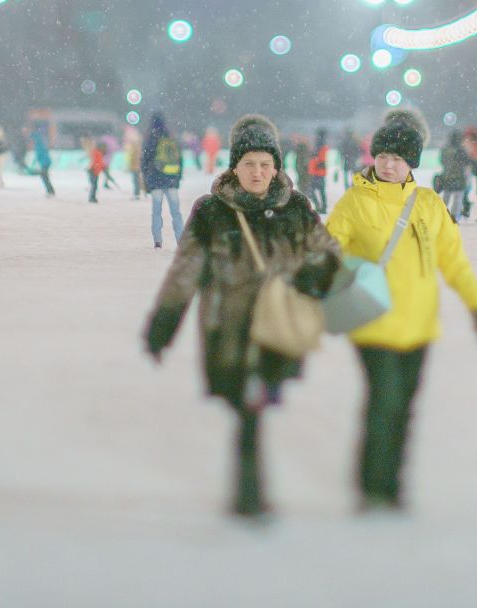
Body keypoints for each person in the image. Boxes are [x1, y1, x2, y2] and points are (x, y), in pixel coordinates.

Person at [143, 115, 339, 519]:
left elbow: (329, 255)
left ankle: (249, 494)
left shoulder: (296, 207)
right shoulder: (212, 211)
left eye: (265, 164)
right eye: (249, 164)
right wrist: (163, 325)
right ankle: (250, 493)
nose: (257, 172)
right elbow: (186, 270)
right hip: (228, 325)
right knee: (246, 406)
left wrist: (308, 279)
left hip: (277, 327)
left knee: (254, 406)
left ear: (276, 167)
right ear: (234, 166)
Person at [325, 109, 477, 513]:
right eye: (382, 155)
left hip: (419, 326)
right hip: (373, 322)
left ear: (411, 163)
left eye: (397, 158)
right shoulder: (355, 201)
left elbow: (454, 262)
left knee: (404, 409)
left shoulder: (430, 205)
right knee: (383, 401)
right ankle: (372, 488)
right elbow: (326, 250)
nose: (387, 163)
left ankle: (392, 485)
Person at [142, 112, 185, 249]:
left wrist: (147, 179)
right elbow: (179, 159)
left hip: (156, 181)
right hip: (171, 179)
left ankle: (158, 241)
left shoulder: (151, 138)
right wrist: (177, 177)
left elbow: (145, 160)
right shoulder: (170, 137)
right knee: (176, 212)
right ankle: (180, 239)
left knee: (156, 211)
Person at [434, 128, 469, 220]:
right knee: (458, 197)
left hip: (447, 175)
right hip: (459, 176)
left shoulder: (445, 149)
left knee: (446, 196)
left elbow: (441, 161)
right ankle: (454, 216)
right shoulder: (461, 150)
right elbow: (466, 161)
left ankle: (442, 214)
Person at [30, 123, 57, 197]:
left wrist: (35, 161)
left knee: (44, 176)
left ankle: (50, 191)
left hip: (45, 162)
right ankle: (50, 190)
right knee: (44, 176)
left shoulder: (38, 144)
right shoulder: (39, 144)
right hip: (45, 162)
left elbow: (40, 154)